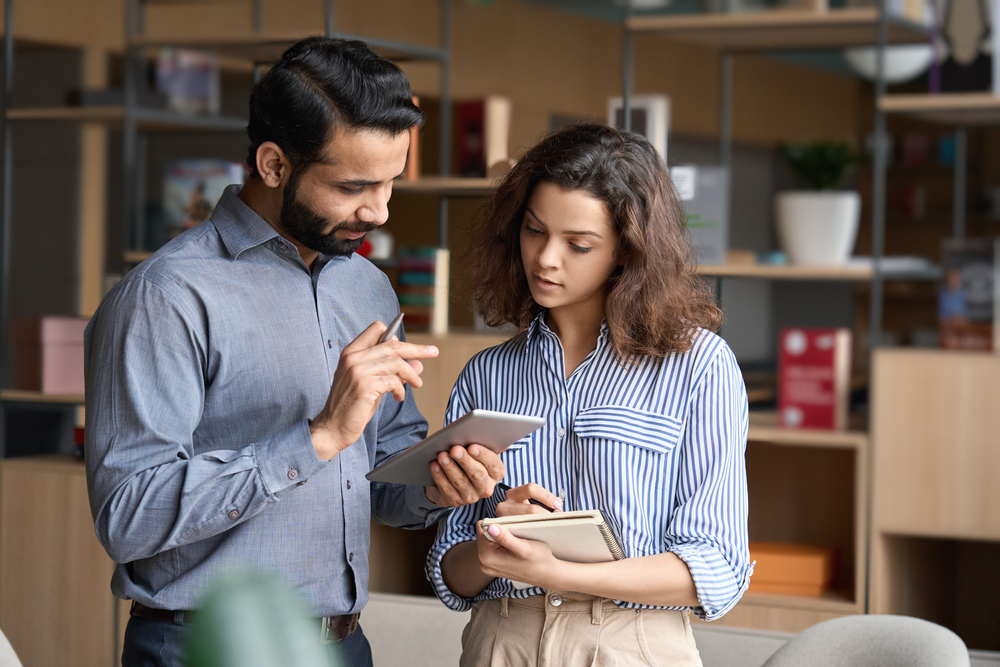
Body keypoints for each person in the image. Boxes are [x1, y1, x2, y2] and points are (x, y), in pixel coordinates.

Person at [85, 37, 505, 667]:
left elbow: (382, 472)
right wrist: (318, 436)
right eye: (354, 186)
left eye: (390, 183)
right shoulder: (166, 296)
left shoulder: (366, 284)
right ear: (274, 164)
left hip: (344, 642)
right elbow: (128, 515)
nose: (380, 211)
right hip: (203, 645)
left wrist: (438, 484)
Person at [426, 123, 752, 666]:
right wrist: (489, 548)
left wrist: (561, 573)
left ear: (627, 252)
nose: (546, 259)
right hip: (501, 644)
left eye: (579, 244)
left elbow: (715, 567)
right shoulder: (485, 375)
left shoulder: (700, 367)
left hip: (632, 645)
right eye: (534, 231)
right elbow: (450, 570)